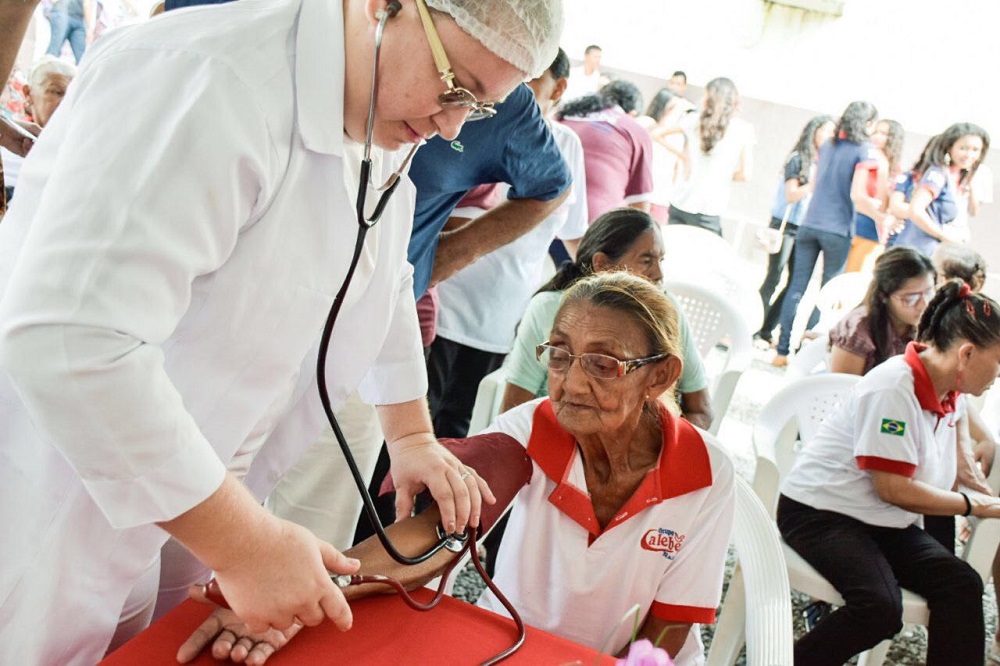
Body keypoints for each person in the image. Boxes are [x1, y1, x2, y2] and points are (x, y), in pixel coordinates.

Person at [0, 0, 563, 662]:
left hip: (193, 493)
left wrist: (410, 434)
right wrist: (242, 543)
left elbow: (374, 272)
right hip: (61, 495)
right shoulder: (205, 80)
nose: (451, 125)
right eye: (455, 87)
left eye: (481, 106)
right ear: (384, 8)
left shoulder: (381, 107)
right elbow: (72, 341)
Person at [183, 272, 736, 666]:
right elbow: (430, 539)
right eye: (561, 355)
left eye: (603, 363)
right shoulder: (532, 427)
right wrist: (300, 600)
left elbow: (669, 624)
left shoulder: (707, 474)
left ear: (659, 377)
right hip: (507, 641)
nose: (570, 382)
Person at [778, 279, 1000, 665]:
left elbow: (958, 448)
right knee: (879, 607)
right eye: (999, 360)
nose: (999, 373)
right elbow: (893, 489)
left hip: (878, 521)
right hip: (819, 514)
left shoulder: (951, 389)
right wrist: (975, 505)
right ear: (966, 354)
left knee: (962, 584)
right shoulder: (894, 388)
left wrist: (974, 485)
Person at [427, 48, 587, 439]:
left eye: (531, 82)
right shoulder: (473, 119)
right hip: (440, 301)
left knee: (462, 426)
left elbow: (576, 237)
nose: (514, 91)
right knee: (409, 421)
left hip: (499, 317)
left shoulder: (565, 149)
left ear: (559, 87)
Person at [502, 208, 714, 431]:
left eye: (660, 260)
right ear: (602, 265)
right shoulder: (548, 309)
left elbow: (701, 409)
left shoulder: (667, 312)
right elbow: (513, 410)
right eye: (646, 260)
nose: (659, 274)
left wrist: (666, 456)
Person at [772, 101, 884, 366]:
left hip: (810, 225)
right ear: (868, 124)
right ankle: (805, 353)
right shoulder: (865, 151)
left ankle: (782, 351)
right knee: (828, 292)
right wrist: (881, 216)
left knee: (796, 287)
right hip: (838, 229)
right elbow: (858, 194)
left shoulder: (827, 145)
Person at [755, 115, 835, 346]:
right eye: (825, 131)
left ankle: (766, 329)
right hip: (784, 225)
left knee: (793, 284)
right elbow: (791, 194)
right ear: (814, 132)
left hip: (803, 228)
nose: (829, 137)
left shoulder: (822, 163)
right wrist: (815, 184)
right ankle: (754, 326)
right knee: (774, 277)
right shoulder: (799, 159)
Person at [667, 76, 755, 237]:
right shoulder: (743, 129)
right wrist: (725, 174)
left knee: (672, 256)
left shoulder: (693, 120)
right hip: (709, 208)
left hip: (680, 201)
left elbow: (657, 133)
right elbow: (745, 174)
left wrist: (683, 156)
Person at [828, 247, 936, 376]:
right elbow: (842, 389)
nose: (924, 304)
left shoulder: (929, 322)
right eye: (910, 298)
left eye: (929, 292)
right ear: (883, 296)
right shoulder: (857, 331)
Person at [558, 80, 653, 222]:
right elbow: (640, 204)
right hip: (591, 227)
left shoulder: (566, 115)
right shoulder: (635, 130)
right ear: (633, 113)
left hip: (539, 216)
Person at [891, 123, 990, 257]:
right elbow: (916, 209)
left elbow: (973, 211)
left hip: (934, 251)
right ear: (950, 147)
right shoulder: (939, 174)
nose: (969, 154)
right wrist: (944, 237)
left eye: (975, 150)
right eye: (963, 148)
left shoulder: (960, 177)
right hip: (918, 251)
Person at [0, 57, 76, 202]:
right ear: (28, 93)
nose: (66, 103)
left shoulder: (75, 148)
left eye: (72, 95)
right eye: (57, 92)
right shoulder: (9, 142)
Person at [844, 119, 905, 273]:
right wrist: (881, 217)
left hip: (875, 228)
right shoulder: (868, 159)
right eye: (876, 131)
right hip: (859, 223)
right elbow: (857, 195)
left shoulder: (895, 168)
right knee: (848, 278)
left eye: (883, 133)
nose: (877, 136)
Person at [636, 88, 686, 224]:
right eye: (673, 107)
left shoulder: (677, 135)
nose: (676, 112)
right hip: (639, 194)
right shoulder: (646, 122)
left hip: (662, 198)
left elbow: (677, 168)